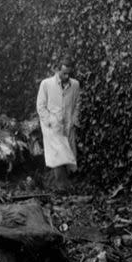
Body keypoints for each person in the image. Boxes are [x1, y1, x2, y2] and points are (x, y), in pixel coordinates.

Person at [36, 57, 81, 188]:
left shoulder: (75, 85)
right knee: (58, 155)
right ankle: (62, 187)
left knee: (68, 155)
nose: (67, 76)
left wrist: (74, 120)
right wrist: (50, 121)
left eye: (69, 73)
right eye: (64, 73)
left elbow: (78, 104)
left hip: (68, 125)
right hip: (52, 127)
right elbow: (40, 106)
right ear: (57, 70)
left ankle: (52, 183)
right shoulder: (46, 84)